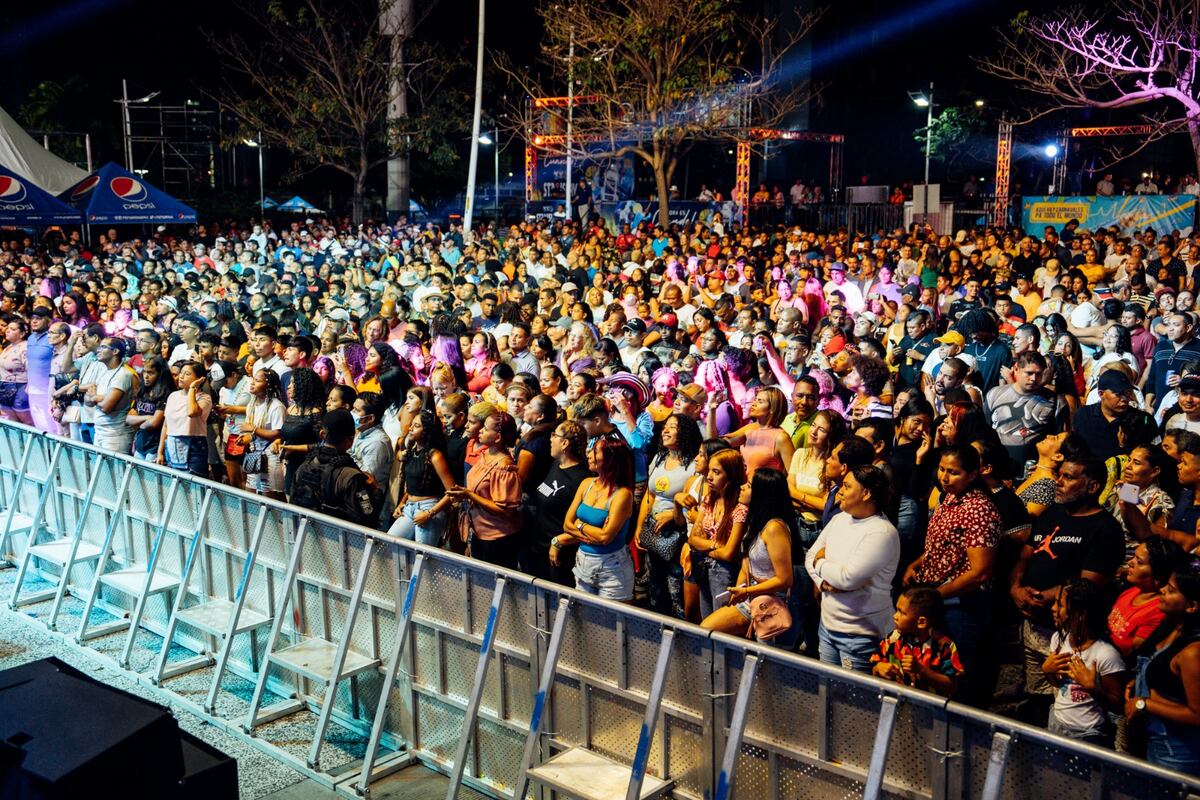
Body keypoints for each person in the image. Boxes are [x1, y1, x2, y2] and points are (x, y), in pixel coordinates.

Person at [1011, 455, 1125, 725]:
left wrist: (1042, 596)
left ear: (1093, 486)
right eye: (1059, 475)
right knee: (1036, 696)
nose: (1058, 482)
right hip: (1032, 624)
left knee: (1068, 701)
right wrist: (1015, 587)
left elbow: (1090, 584)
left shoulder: (1105, 528)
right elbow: (1025, 556)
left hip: (1069, 632)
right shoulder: (1051, 513)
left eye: (1068, 477)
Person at [904, 444, 1002, 671]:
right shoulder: (949, 498)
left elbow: (980, 572)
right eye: (941, 469)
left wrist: (935, 595)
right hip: (936, 597)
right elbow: (942, 544)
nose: (944, 477)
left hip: (960, 604)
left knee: (951, 672)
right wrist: (916, 564)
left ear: (973, 474)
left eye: (953, 472)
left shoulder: (979, 509)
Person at [806, 464, 900, 671]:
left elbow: (848, 579)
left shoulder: (881, 533)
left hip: (860, 636)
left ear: (866, 493)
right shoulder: (839, 519)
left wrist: (819, 564)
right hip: (827, 626)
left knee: (852, 701)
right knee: (827, 697)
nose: (840, 491)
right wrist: (823, 582)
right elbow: (810, 555)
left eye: (847, 486)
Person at [701, 468, 799, 647]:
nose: (743, 487)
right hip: (749, 599)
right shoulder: (756, 520)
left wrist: (746, 591)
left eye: (750, 485)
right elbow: (747, 563)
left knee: (765, 667)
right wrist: (739, 591)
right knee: (706, 630)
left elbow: (785, 579)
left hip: (769, 605)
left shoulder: (774, 528)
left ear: (762, 494)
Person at [1125, 559, 1200, 775]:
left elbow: (1197, 714)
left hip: (1177, 753)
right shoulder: (1170, 624)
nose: (1163, 590)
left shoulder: (1193, 652)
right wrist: (1138, 682)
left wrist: (1144, 704)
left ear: (1192, 606)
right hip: (1153, 741)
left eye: (1172, 590)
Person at [1042, 579, 1126, 746]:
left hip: (1088, 733)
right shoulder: (1059, 639)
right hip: (1057, 721)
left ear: (1080, 615)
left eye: (1060, 605)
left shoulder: (1106, 654)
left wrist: (1093, 689)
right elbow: (1059, 685)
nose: (1053, 609)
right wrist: (1047, 671)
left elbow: (1117, 705)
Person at [636, 413, 701, 618]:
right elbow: (650, 494)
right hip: (654, 530)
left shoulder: (693, 464)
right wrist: (639, 528)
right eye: (665, 426)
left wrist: (673, 516)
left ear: (685, 432)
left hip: (678, 531)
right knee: (655, 584)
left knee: (675, 587)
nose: (665, 430)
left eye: (672, 427)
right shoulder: (659, 458)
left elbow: (696, 501)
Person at [558, 433, 637, 601]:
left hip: (612, 569)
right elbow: (566, 525)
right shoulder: (586, 484)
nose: (588, 455)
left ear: (610, 459)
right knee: (585, 622)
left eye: (594, 451)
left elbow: (605, 537)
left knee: (613, 625)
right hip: (582, 564)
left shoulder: (623, 495)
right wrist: (592, 533)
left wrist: (580, 525)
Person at [450, 411, 523, 569]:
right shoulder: (484, 454)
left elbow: (505, 510)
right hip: (478, 531)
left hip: (497, 538)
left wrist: (470, 495)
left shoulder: (504, 467)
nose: (481, 430)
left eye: (486, 428)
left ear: (497, 437)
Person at [290, 408, 382, 527]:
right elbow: (366, 520)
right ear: (350, 440)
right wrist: (375, 491)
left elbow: (292, 506)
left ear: (322, 434)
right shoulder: (350, 477)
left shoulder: (304, 467)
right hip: (339, 542)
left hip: (306, 538)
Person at [871, 585, 963, 697]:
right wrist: (879, 668)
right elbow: (875, 667)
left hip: (929, 710)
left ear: (921, 622)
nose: (895, 616)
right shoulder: (892, 639)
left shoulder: (944, 646)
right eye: (896, 610)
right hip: (895, 704)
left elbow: (951, 686)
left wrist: (921, 670)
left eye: (902, 612)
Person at [530, 420, 591, 586]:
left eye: (554, 435)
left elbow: (583, 522)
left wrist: (559, 542)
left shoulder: (582, 479)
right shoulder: (555, 465)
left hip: (560, 555)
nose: (550, 439)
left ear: (564, 443)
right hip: (539, 547)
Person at [386, 409, 457, 545]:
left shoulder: (435, 456)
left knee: (423, 557)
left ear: (427, 431)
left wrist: (430, 513)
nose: (411, 428)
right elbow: (414, 485)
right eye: (412, 424)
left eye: (417, 426)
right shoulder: (412, 451)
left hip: (429, 507)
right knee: (390, 543)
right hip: (409, 507)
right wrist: (402, 503)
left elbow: (452, 492)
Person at [156, 361, 211, 477]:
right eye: (181, 372)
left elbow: (192, 412)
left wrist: (192, 388)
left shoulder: (204, 398)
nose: (181, 376)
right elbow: (166, 425)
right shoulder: (173, 396)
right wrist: (160, 452)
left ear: (199, 379)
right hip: (171, 446)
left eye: (187, 374)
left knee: (194, 487)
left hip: (194, 447)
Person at [81, 337, 135, 454]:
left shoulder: (123, 375)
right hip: (100, 431)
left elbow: (106, 407)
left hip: (115, 435)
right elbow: (87, 401)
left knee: (116, 472)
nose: (98, 350)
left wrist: (95, 397)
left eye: (103, 347)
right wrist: (99, 398)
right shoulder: (105, 372)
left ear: (115, 351)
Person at [127, 355, 173, 461]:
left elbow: (154, 423)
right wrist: (147, 417)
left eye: (151, 373)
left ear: (160, 374)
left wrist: (138, 422)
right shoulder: (143, 392)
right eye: (145, 372)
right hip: (140, 444)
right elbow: (128, 419)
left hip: (155, 447)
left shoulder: (165, 394)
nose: (146, 376)